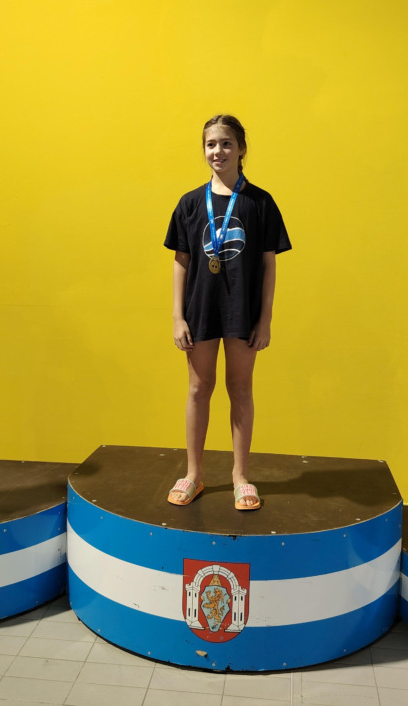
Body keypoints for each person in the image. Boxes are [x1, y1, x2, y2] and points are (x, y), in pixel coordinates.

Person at [164, 114, 292, 511]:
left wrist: (265, 319)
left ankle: (240, 477)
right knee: (198, 389)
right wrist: (178, 316)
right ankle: (193, 474)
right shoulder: (189, 203)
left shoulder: (261, 203)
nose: (217, 151)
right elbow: (181, 261)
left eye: (225, 143)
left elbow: (269, 264)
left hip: (243, 312)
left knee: (240, 389)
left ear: (241, 149)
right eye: (210, 144)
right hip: (200, 310)